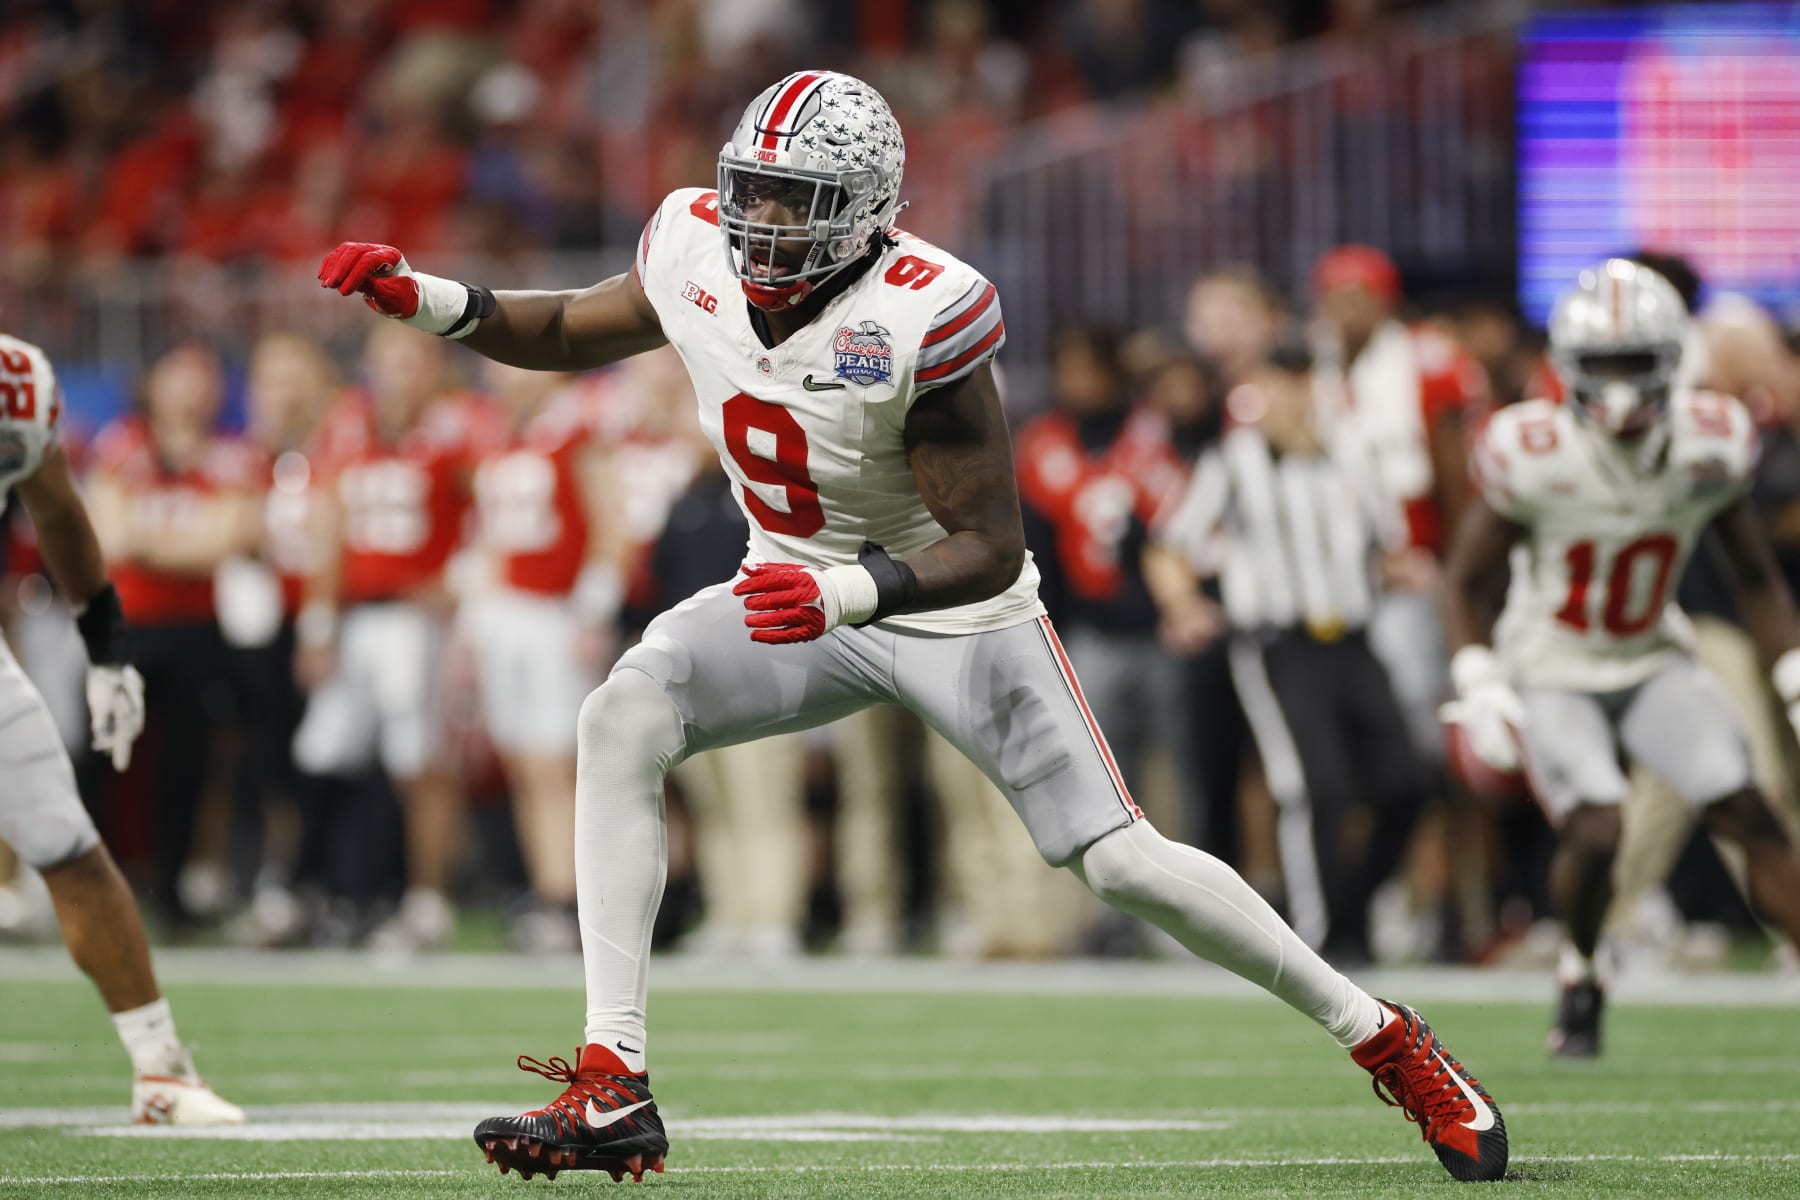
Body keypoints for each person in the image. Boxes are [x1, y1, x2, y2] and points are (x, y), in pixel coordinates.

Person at [319, 70, 1507, 1184]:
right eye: (754, 191)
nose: (763, 222)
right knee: (622, 713)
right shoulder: (691, 242)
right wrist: (432, 302)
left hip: (953, 612)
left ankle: (1381, 1033)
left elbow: (989, 542)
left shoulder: (924, 311)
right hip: (792, 587)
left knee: (1119, 860)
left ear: (867, 211)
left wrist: (846, 593)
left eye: (797, 200)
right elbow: (571, 329)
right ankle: (612, 1081)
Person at [1442, 260, 1800, 1058]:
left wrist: (1792, 673)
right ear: (1568, 367)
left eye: (1634, 361)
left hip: (1651, 660)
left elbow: (1754, 576)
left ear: (1672, 360)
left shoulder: (1710, 440)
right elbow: (1464, 581)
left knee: (1747, 809)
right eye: (1601, 363)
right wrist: (1478, 677)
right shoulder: (1531, 448)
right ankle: (1581, 968)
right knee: (1600, 829)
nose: (1617, 383)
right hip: (1551, 664)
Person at [0, 332, 242, 1124]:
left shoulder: (14, 379)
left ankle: (160, 1071)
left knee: (67, 838)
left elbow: (57, 508)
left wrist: (106, 648)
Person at [1146, 341, 1431, 964]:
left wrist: (1405, 571)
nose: (1296, 395)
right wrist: (1183, 604)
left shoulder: (1355, 455)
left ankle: (1351, 911)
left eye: (1305, 379)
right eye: (1284, 380)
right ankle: (1320, 943)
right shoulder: (1234, 460)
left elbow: (1384, 549)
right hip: (1281, 646)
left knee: (1405, 782)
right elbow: (1169, 542)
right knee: (1315, 788)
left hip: (1354, 640)